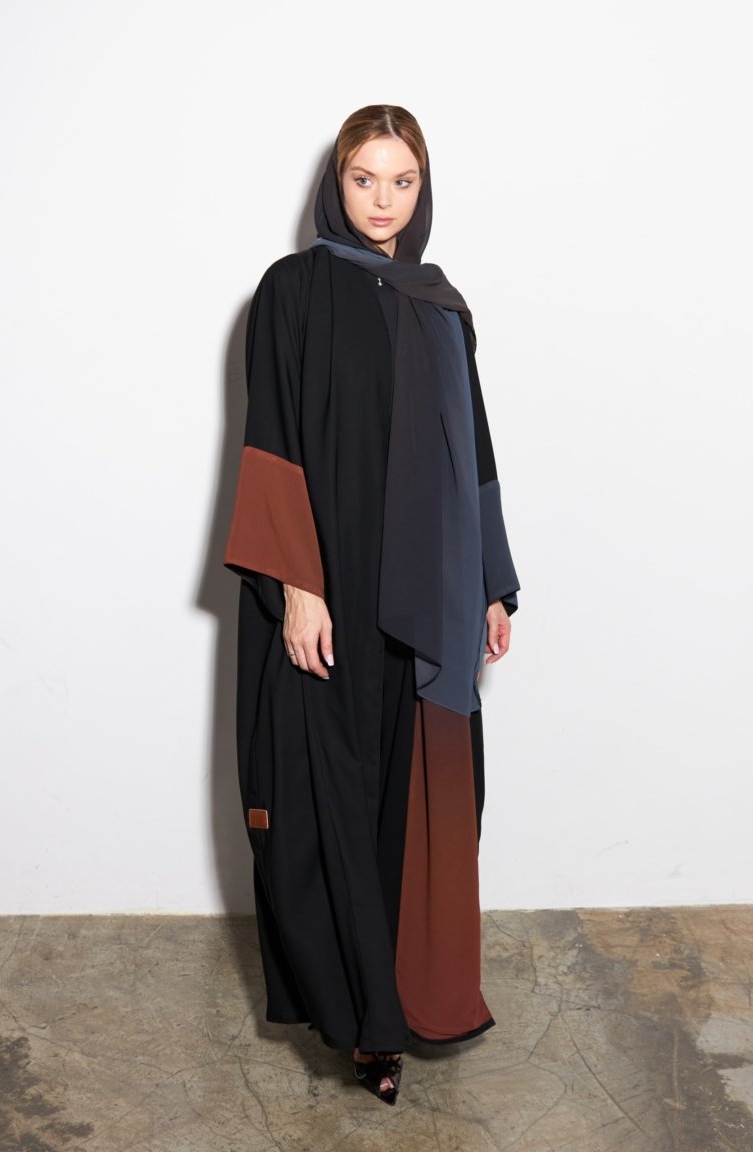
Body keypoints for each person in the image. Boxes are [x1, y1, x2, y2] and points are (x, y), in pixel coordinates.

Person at [224, 105, 520, 1106]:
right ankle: (361, 1028)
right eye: (365, 179)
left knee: (412, 805)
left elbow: (473, 450)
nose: (383, 200)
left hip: (429, 594)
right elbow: (271, 437)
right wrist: (297, 587)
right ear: (335, 184)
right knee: (332, 803)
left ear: (422, 190)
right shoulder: (294, 290)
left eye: (403, 181)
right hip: (333, 589)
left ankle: (400, 1002)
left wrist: (491, 582)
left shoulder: (443, 305)